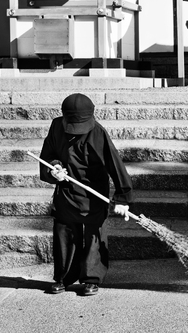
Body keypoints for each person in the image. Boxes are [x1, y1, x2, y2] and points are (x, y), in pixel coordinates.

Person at [39, 93, 132, 296]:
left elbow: (115, 164)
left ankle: (91, 279)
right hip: (66, 190)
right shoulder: (56, 127)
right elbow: (47, 157)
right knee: (64, 232)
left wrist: (123, 197)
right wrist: (54, 169)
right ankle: (64, 277)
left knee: (93, 235)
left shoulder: (98, 132)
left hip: (94, 193)